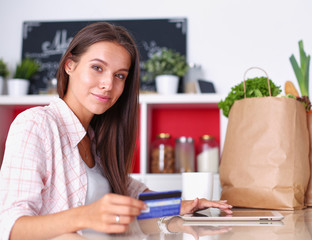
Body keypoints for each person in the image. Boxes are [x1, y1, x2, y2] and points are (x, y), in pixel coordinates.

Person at [0, 22, 232, 239]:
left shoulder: (98, 140)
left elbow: (133, 195)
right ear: (69, 65)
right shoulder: (36, 125)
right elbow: (10, 226)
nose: (108, 84)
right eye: (97, 67)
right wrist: (85, 215)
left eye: (119, 75)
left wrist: (184, 205)